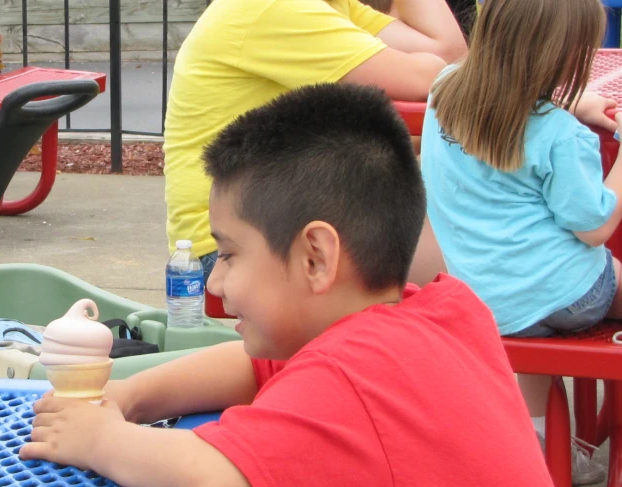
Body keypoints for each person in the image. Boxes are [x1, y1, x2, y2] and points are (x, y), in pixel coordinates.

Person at [21, 83, 574, 487]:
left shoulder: (356, 377)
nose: (214, 282)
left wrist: (97, 438)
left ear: (315, 258)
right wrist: (129, 397)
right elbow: (249, 366)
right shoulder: (436, 315)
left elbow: (210, 477)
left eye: (231, 255)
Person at [418, 0, 622, 487]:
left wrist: (571, 104)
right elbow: (594, 224)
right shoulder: (560, 136)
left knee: (534, 334)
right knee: (615, 278)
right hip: (572, 296)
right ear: (564, 60)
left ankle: (542, 449)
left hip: (486, 302)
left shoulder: (442, 92)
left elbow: (508, 102)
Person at [164, 0, 467, 283]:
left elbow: (451, 56)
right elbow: (429, 79)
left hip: (282, 226)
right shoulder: (274, 7)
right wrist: (425, 67)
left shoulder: (332, 6)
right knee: (471, 261)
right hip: (231, 252)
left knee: (464, 249)